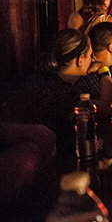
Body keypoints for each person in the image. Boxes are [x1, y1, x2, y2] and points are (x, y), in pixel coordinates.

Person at [1, 29, 92, 168]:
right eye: (90, 56)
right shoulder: (64, 93)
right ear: (80, 60)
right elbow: (106, 108)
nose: (92, 60)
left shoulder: (38, 79)